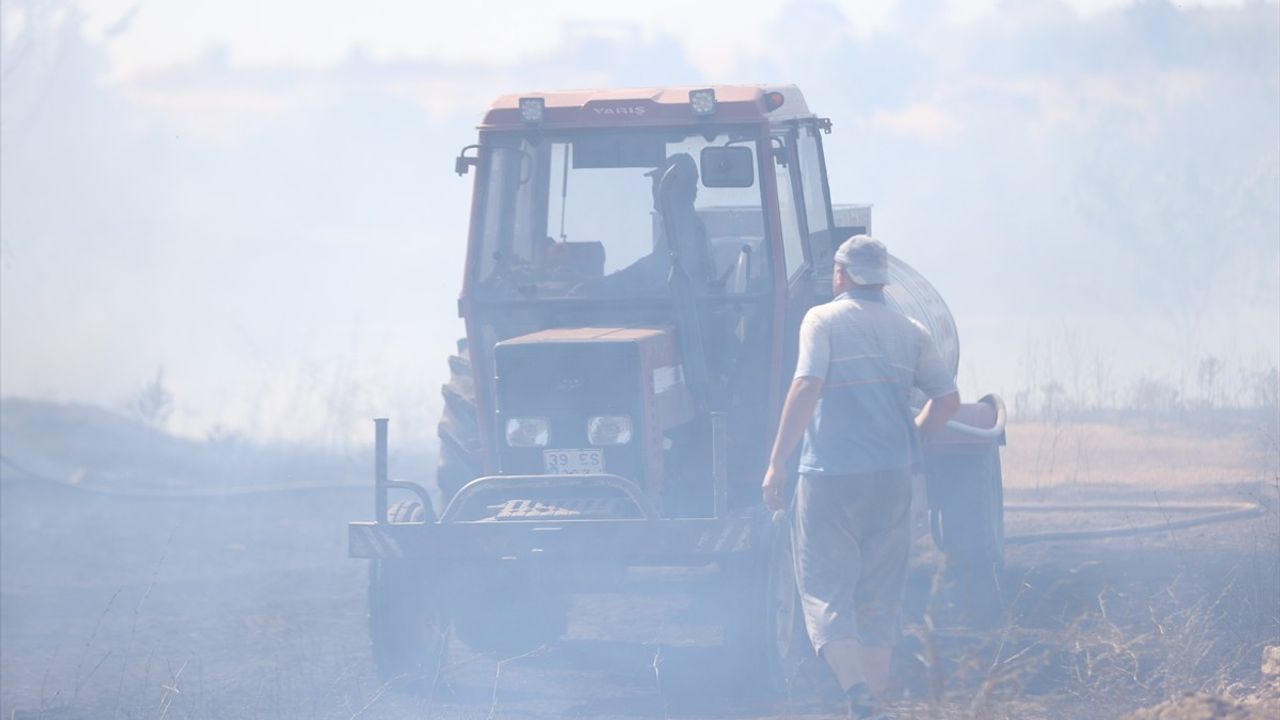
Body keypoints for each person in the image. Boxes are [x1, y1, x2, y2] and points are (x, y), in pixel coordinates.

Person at [761, 235, 960, 719]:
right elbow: (948, 399)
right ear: (883, 278)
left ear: (841, 275)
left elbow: (807, 384)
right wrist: (910, 438)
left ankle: (855, 692)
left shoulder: (822, 320)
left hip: (829, 476)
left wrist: (777, 461)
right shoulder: (910, 330)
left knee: (824, 587)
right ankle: (875, 704)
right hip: (891, 478)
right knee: (878, 594)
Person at [577, 153, 716, 296]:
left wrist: (599, 286)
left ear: (673, 187)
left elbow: (650, 273)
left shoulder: (686, 229)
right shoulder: (679, 225)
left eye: (658, 183)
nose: (654, 190)